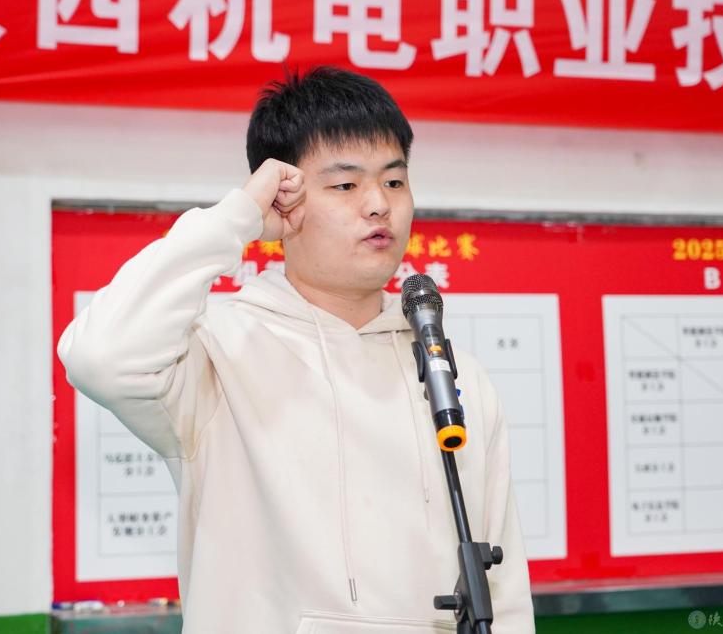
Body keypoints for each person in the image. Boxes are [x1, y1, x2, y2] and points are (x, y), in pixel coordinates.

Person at [58, 66, 535, 633]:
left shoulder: (453, 375)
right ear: (284, 201)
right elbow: (100, 357)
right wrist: (237, 218)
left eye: (394, 181)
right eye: (345, 185)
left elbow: (503, 588)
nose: (378, 205)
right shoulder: (216, 353)